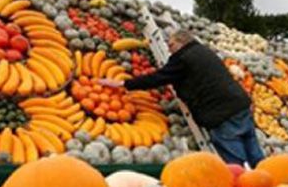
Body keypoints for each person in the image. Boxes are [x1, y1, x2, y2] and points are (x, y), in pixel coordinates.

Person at [100, 29, 264, 167]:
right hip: (241, 104)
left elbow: (158, 78)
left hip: (221, 114)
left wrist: (124, 83)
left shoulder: (183, 58)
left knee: (235, 164)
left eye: (171, 45)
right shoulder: (204, 51)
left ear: (182, 42)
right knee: (256, 156)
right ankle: (270, 186)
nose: (169, 49)